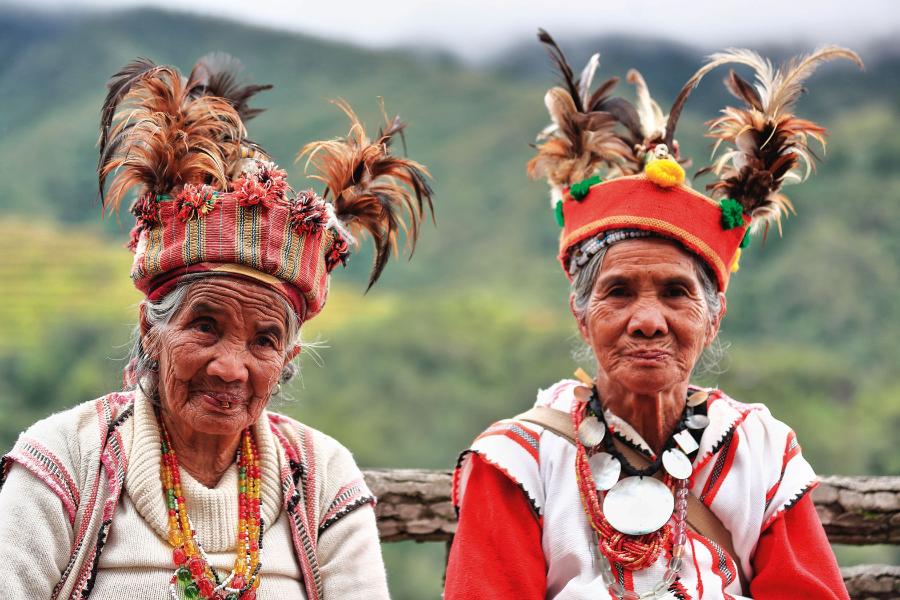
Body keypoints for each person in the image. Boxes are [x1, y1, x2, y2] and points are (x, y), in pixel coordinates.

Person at [445, 31, 860, 599]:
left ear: (713, 318)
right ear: (581, 314)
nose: (647, 319)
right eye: (618, 292)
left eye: (675, 293)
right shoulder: (518, 460)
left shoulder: (758, 450)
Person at [0, 54, 433, 599]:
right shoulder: (65, 463)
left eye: (264, 340)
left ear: (288, 361)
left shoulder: (324, 478)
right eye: (204, 326)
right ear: (150, 331)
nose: (231, 368)